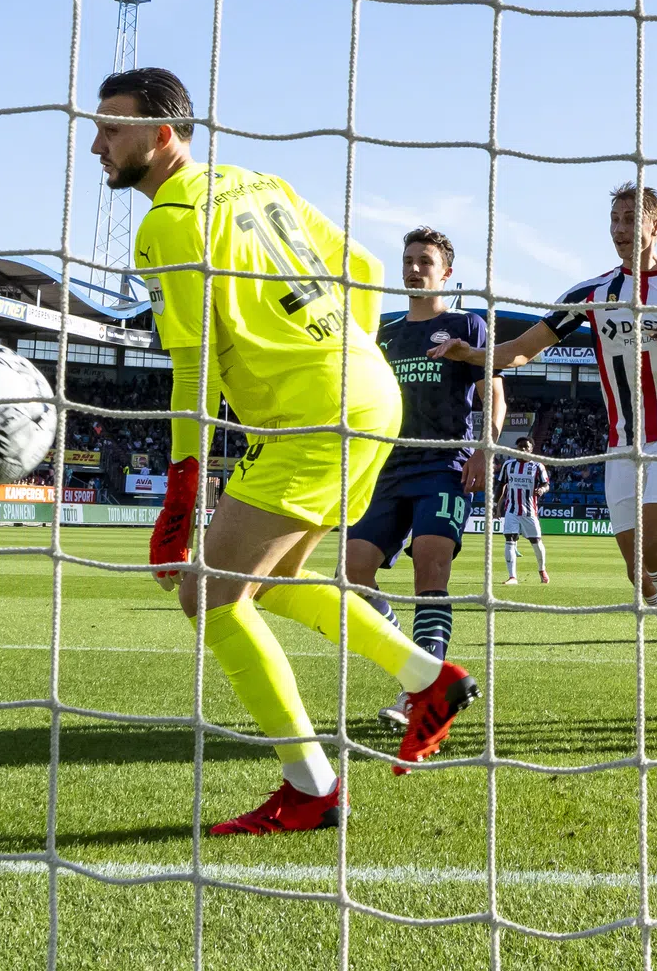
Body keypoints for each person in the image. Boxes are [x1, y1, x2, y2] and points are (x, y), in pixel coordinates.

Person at [100, 67, 478, 838]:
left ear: (162, 135)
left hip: (314, 410)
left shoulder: (168, 224)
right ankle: (427, 678)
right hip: (368, 393)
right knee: (272, 584)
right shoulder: (256, 181)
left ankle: (313, 787)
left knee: (207, 594)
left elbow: (193, 366)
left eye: (112, 128)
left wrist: (181, 496)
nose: (96, 144)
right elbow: (366, 270)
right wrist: (346, 354)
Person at [430, 182, 657, 722]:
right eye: (615, 220)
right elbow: (525, 350)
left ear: (654, 226)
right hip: (622, 443)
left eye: (630, 219)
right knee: (640, 579)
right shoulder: (590, 294)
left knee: (655, 544)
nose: (621, 229)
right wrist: (470, 353)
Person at [343, 227, 503, 731]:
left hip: (444, 464)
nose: (414, 268)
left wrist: (483, 448)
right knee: (350, 576)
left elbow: (493, 390)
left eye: (426, 261)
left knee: (430, 565)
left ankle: (421, 693)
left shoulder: (467, 325)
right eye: (408, 259)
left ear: (446, 272)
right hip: (386, 469)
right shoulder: (383, 333)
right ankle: (419, 669)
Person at [496, 436, 550, 586]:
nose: (523, 449)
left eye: (526, 447)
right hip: (511, 510)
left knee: (536, 542)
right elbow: (501, 485)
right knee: (509, 540)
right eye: (520, 447)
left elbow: (546, 484)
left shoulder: (538, 466)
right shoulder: (508, 465)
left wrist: (542, 489)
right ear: (516, 449)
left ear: (531, 449)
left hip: (529, 511)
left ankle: (542, 569)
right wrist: (496, 505)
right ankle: (512, 576)